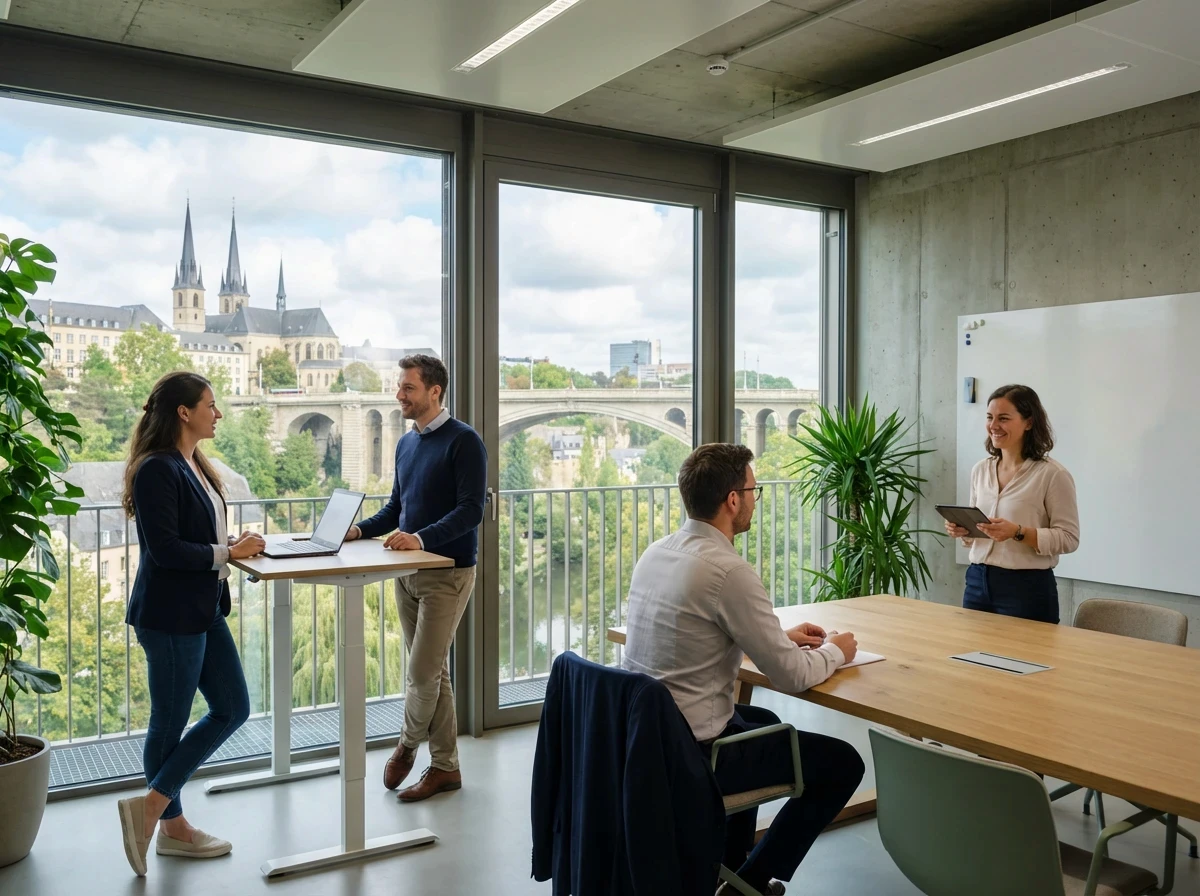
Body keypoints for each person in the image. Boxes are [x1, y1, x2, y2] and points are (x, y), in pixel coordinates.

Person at [623, 443, 864, 896]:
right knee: (842, 763)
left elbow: (699, 631)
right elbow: (791, 676)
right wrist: (836, 651)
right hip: (695, 754)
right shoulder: (728, 571)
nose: (755, 499)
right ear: (733, 500)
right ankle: (748, 885)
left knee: (766, 724)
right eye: (754, 490)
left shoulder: (659, 552)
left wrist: (775, 635)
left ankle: (728, 865)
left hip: (648, 738)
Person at [116, 372, 265, 877]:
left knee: (233, 707)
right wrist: (229, 551)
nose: (217, 412)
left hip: (203, 609)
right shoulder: (157, 469)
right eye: (210, 404)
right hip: (170, 615)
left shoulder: (193, 464)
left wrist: (233, 547)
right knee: (169, 721)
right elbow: (167, 550)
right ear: (184, 412)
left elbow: (197, 535)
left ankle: (154, 810)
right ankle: (167, 824)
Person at [344, 354, 487, 802]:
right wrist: (360, 530)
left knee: (421, 673)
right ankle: (446, 767)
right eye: (399, 386)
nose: (399, 395)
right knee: (434, 673)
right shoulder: (406, 444)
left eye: (407, 388)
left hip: (447, 573)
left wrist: (421, 538)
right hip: (407, 573)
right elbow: (396, 510)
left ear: (434, 392)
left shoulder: (465, 442)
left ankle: (407, 746)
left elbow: (471, 511)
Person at [944, 383, 1079, 623]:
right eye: (989, 417)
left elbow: (1069, 538)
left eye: (1003, 418)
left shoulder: (1052, 475)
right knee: (971, 658)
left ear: (1029, 422)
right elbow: (978, 535)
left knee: (1026, 659)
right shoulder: (980, 470)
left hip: (1026, 588)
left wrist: (1018, 532)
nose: (993, 426)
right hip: (977, 581)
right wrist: (964, 530)